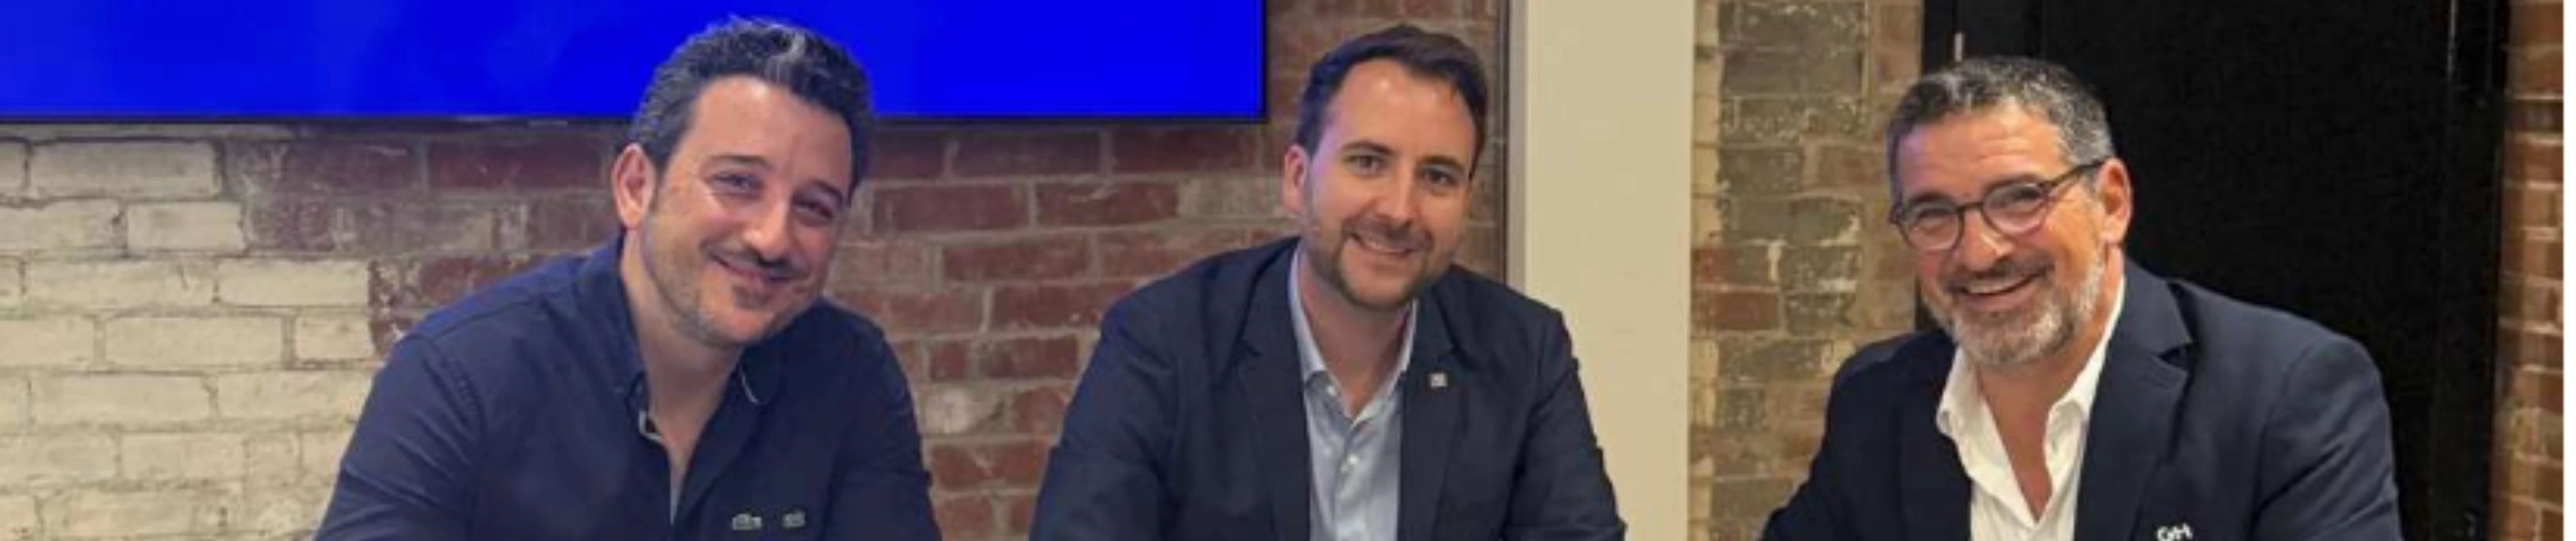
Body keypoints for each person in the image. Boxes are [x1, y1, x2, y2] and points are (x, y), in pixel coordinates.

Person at [318, 19, 938, 540]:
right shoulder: (462, 373)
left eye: (815, 207)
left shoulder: (847, 370)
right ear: (637, 187)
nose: (773, 238)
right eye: (738, 183)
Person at [1028, 24, 1625, 541]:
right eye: (1368, 162)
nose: (1399, 209)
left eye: (1438, 177)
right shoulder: (1164, 342)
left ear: (1466, 201)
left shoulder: (1525, 350)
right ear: (1297, 178)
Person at [1762, 56, 2400, 540]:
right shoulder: (1878, 400)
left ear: (2112, 203)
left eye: (2019, 199)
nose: (1979, 252)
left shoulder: (2283, 394)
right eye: (1933, 214)